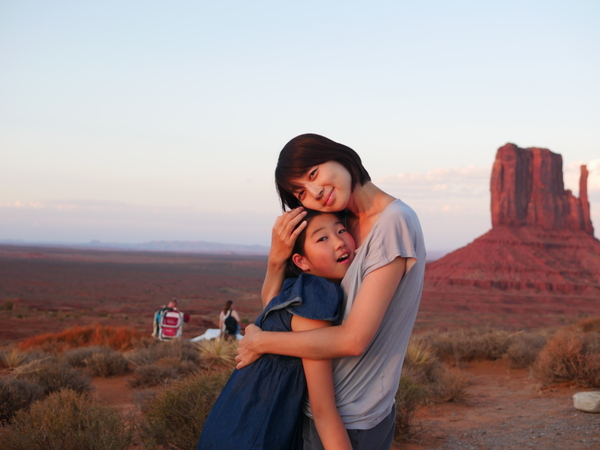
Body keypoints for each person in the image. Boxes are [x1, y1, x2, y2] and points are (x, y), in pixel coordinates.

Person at [236, 133, 426, 450]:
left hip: (352, 416)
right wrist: (276, 259)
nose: (315, 192)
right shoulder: (340, 224)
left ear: (338, 156)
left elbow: (354, 340)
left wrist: (261, 341)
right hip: (319, 407)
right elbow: (285, 309)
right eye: (301, 192)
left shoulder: (393, 223)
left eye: (313, 174)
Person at [198, 211, 354, 450]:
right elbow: (323, 409)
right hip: (255, 433)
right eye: (322, 238)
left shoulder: (294, 288)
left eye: (341, 230)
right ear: (302, 261)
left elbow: (269, 300)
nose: (339, 241)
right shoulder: (314, 297)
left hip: (230, 421)